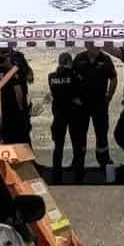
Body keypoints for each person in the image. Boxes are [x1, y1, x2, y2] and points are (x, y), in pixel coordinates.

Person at [72, 43, 117, 170]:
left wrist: (110, 95)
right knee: (80, 134)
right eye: (93, 45)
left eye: (98, 45)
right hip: (82, 105)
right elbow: (71, 77)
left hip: (100, 104)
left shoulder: (105, 59)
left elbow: (113, 78)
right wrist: (74, 97)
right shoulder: (79, 59)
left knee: (102, 133)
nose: (96, 48)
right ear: (86, 46)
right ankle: (78, 163)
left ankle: (104, 161)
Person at [47, 52, 86, 183]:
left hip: (58, 115)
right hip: (74, 115)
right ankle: (79, 175)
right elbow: (78, 95)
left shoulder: (51, 77)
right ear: (70, 62)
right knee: (77, 145)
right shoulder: (75, 76)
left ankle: (56, 176)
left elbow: (57, 93)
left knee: (58, 146)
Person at [0, 48, 31, 145]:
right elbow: (21, 87)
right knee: (20, 136)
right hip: (13, 109)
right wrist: (23, 108)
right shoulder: (15, 65)